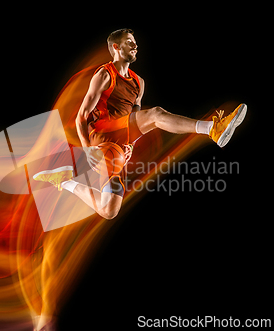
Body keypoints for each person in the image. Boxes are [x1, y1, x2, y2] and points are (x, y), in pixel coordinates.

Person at [33, 28, 246, 221]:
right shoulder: (104, 74)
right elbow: (81, 117)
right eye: (129, 42)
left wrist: (131, 146)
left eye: (135, 42)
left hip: (120, 142)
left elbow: (135, 119)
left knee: (109, 211)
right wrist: (87, 149)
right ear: (116, 47)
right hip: (103, 135)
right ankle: (212, 128)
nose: (135, 46)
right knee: (155, 115)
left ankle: (64, 180)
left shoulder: (138, 82)